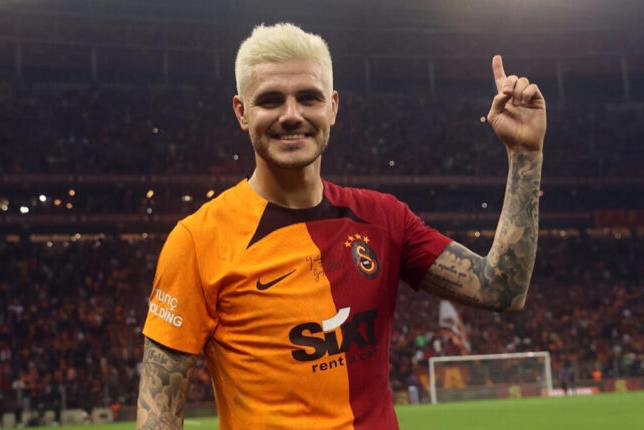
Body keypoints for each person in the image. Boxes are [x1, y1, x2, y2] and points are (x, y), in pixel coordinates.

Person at [137, 23, 546, 430]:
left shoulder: (383, 219)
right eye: (271, 100)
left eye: (308, 98)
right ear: (242, 112)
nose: (291, 115)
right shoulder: (197, 241)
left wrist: (525, 154)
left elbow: (502, 288)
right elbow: (159, 419)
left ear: (332, 107)